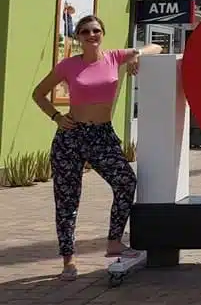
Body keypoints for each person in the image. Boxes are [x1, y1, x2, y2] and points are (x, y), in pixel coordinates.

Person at [31, 15, 163, 281]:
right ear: (78, 37)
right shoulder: (67, 65)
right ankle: (68, 260)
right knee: (67, 199)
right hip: (71, 137)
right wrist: (57, 117)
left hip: (102, 135)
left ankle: (114, 242)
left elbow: (156, 47)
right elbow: (38, 93)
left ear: (102, 34)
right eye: (85, 31)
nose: (92, 35)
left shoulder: (114, 57)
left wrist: (137, 55)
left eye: (96, 30)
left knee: (126, 181)